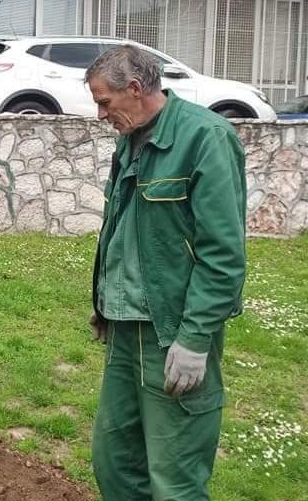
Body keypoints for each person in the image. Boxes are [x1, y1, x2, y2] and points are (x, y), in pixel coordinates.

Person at [86, 45, 246, 501]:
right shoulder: (130, 139)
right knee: (115, 463)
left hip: (172, 332)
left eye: (104, 102)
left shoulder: (206, 138)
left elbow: (223, 253)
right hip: (124, 330)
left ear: (134, 89)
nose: (100, 115)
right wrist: (106, 301)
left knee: (174, 478)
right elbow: (124, 230)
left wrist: (195, 339)